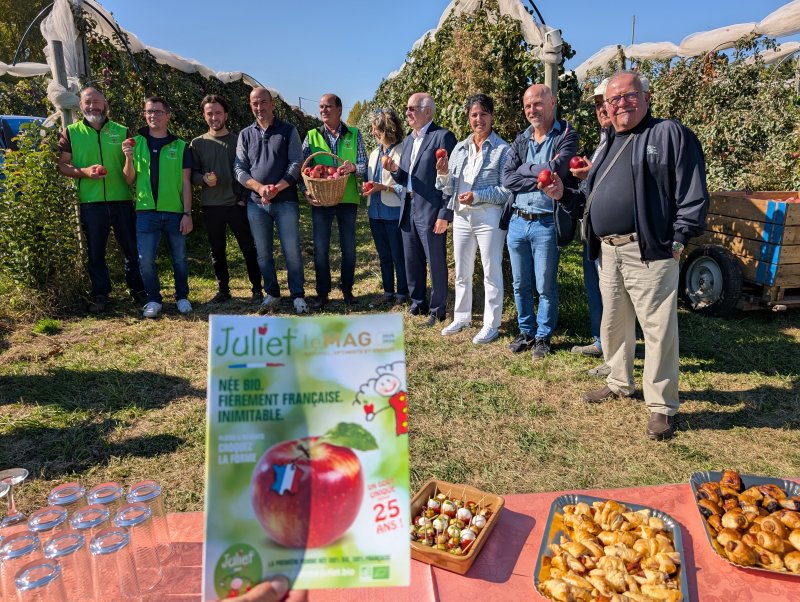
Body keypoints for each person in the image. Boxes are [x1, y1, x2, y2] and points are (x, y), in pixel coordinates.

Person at [544, 71, 709, 440]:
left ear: (647, 97)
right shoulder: (607, 142)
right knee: (614, 321)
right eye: (613, 99)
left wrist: (678, 239)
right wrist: (563, 194)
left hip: (649, 250)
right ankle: (619, 381)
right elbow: (588, 199)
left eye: (629, 96)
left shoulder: (668, 134)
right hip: (608, 250)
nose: (620, 104)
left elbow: (692, 191)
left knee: (657, 329)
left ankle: (661, 405)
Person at [501, 84, 578, 359]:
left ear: (552, 102)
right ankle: (526, 331)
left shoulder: (566, 135)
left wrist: (526, 170)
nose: (532, 110)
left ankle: (543, 336)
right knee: (520, 284)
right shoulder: (521, 139)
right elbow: (507, 178)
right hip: (518, 221)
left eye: (537, 104)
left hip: (546, 222)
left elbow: (558, 169)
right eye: (527, 106)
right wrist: (540, 175)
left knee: (545, 285)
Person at [57, 86, 146, 313]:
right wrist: (84, 172)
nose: (92, 106)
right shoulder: (71, 132)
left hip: (122, 200)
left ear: (105, 104)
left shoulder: (122, 131)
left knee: (131, 249)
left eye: (96, 102)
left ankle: (138, 291)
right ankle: (101, 294)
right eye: (87, 102)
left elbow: (133, 166)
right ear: (80, 105)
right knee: (96, 252)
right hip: (90, 202)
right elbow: (62, 165)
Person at [435, 94, 511, 344]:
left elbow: (506, 190)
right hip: (461, 216)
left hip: (488, 215)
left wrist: (477, 196)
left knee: (491, 270)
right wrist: (443, 174)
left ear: (492, 117)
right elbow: (448, 188)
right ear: (468, 118)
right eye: (474, 114)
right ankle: (461, 316)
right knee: (462, 270)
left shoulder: (502, 150)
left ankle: (491, 323)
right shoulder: (459, 148)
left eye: (484, 114)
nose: (479, 119)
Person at [384, 93, 456, 327]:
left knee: (435, 261)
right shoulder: (408, 141)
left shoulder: (442, 137)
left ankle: (437, 309)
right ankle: (418, 303)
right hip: (408, 205)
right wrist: (394, 169)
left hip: (431, 209)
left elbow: (450, 179)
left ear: (428, 111)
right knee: (412, 258)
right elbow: (407, 178)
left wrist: (444, 214)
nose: (407, 112)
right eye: (407, 108)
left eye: (412, 108)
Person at [234, 87, 308, 315]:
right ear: (251, 106)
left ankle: (297, 294)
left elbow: (296, 162)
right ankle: (272, 293)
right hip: (256, 204)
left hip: (285, 201)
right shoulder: (245, 134)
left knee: (291, 251)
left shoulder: (288, 131)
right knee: (263, 253)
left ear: (272, 104)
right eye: (255, 103)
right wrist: (259, 188)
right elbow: (239, 168)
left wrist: (278, 187)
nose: (259, 107)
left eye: (263, 102)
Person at [122, 96, 193, 319]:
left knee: (179, 258)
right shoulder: (135, 143)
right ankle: (154, 299)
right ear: (145, 115)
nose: (153, 115)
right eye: (149, 111)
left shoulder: (180, 146)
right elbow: (129, 179)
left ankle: (182, 297)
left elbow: (186, 182)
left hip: (174, 212)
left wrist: (187, 213)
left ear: (167, 116)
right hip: (146, 212)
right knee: (145, 260)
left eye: (158, 112)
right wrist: (128, 158)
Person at [191, 94, 264, 305]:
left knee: (248, 247)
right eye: (210, 113)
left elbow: (249, 171)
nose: (214, 117)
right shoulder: (197, 143)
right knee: (217, 250)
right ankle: (223, 290)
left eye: (218, 113)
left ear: (226, 115)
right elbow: (192, 175)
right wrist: (203, 179)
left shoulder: (237, 141)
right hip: (211, 205)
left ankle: (257, 289)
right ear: (204, 116)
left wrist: (243, 198)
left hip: (236, 204)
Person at [301, 94, 367, 308]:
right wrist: (306, 191)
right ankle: (323, 293)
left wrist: (354, 168)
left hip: (347, 199)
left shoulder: (354, 134)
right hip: (321, 199)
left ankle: (347, 289)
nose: (323, 110)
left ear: (339, 109)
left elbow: (364, 165)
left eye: (328, 106)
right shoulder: (312, 135)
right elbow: (302, 168)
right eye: (321, 107)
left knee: (349, 248)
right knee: (321, 249)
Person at [569, 78, 613, 375]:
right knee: (595, 288)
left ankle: (614, 354)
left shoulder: (624, 140)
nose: (601, 109)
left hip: (610, 232)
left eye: (605, 102)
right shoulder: (603, 140)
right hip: (592, 229)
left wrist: (591, 174)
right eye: (597, 104)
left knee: (613, 294)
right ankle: (600, 340)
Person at [363, 108, 408, 307]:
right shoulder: (374, 153)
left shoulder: (403, 151)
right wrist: (368, 187)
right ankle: (388, 292)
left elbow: (406, 186)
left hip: (393, 211)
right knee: (384, 255)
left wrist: (384, 187)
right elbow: (371, 179)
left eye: (377, 129)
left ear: (388, 129)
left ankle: (402, 293)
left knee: (398, 255)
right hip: (375, 211)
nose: (373, 132)